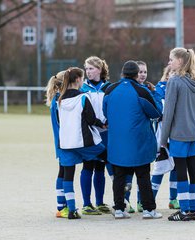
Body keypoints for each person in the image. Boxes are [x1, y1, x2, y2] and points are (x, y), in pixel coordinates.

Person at [103, 60, 163, 219]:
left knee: (119, 176)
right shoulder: (141, 91)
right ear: (137, 74)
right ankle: (149, 210)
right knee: (143, 176)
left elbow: (105, 111)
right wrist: (155, 92)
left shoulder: (110, 89)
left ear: (123, 73)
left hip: (117, 141)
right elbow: (157, 112)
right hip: (139, 141)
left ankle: (118, 209)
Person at [160, 47, 195, 221]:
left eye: (171, 59)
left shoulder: (174, 81)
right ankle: (193, 209)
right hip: (194, 133)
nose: (169, 62)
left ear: (180, 61)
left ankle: (184, 210)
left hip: (178, 133)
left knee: (181, 170)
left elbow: (168, 112)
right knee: (193, 169)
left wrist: (163, 138)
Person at [58, 67, 107, 219]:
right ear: (79, 80)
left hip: (66, 143)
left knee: (68, 175)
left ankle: (71, 210)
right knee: (108, 157)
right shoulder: (83, 97)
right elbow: (91, 119)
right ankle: (122, 199)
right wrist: (103, 124)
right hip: (84, 142)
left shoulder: (60, 99)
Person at [79, 56, 111, 215]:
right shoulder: (82, 88)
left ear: (99, 69)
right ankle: (86, 204)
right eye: (86, 68)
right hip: (90, 134)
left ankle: (99, 202)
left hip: (106, 133)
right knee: (88, 166)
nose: (88, 72)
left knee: (101, 167)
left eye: (91, 68)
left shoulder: (109, 87)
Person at [150, 66, 180, 210]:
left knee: (176, 167)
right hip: (162, 136)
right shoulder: (159, 88)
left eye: (176, 72)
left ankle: (173, 199)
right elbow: (161, 111)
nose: (174, 75)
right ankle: (148, 200)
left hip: (177, 134)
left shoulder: (181, 87)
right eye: (171, 72)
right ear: (166, 75)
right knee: (159, 168)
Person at [45, 70, 68, 218]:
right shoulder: (60, 100)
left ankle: (62, 205)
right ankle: (61, 206)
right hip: (64, 141)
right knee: (63, 172)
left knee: (63, 171)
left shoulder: (59, 98)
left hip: (62, 141)